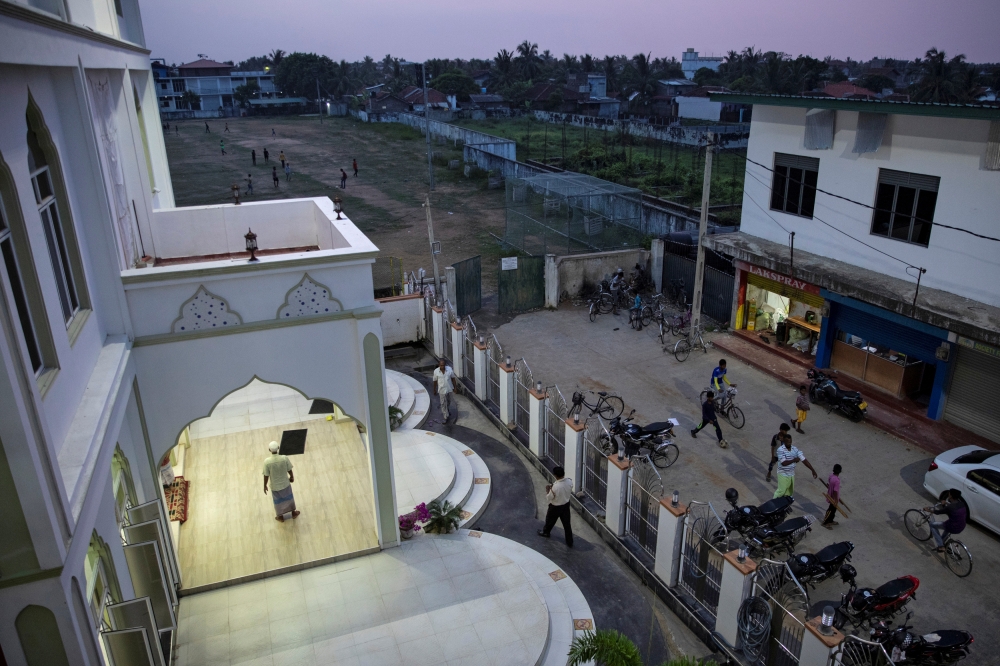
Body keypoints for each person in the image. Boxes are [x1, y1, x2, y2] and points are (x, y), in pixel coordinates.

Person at [537, 466, 574, 547]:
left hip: (555, 506)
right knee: (567, 524)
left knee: (550, 520)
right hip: (566, 505)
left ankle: (546, 532)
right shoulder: (569, 481)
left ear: (555, 475)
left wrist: (548, 490)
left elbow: (549, 497)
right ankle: (569, 541)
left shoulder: (555, 487)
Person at [263, 441, 299, 521]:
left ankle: (280, 517)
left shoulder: (267, 462)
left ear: (269, 450)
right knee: (289, 498)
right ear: (278, 448)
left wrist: (264, 485)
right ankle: (293, 512)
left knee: (277, 501)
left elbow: (266, 475)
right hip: (285, 483)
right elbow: (289, 469)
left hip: (275, 486)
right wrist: (292, 476)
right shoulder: (284, 458)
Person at [773, 434, 817, 498]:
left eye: (790, 441)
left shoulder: (795, 449)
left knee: (789, 492)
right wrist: (793, 460)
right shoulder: (780, 450)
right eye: (787, 442)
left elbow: (804, 460)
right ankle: (773, 503)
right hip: (783, 474)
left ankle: (785, 506)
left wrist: (812, 470)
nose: (789, 443)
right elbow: (783, 463)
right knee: (781, 491)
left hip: (791, 474)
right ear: (784, 441)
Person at [432, 358, 458, 423]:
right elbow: (435, 381)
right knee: (443, 403)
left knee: (448, 401)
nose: (442, 367)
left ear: (445, 365)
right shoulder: (436, 371)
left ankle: (447, 410)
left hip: (449, 389)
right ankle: (445, 416)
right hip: (441, 390)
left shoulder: (449, 369)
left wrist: (455, 388)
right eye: (441, 365)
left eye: (443, 365)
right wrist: (434, 389)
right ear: (439, 365)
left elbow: (453, 379)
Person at [822, 464, 842, 528]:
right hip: (833, 498)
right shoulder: (837, 481)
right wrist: (836, 499)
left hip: (830, 495)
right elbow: (835, 491)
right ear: (840, 471)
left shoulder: (831, 476)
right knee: (831, 509)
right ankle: (825, 522)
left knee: (833, 510)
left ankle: (830, 520)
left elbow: (830, 483)